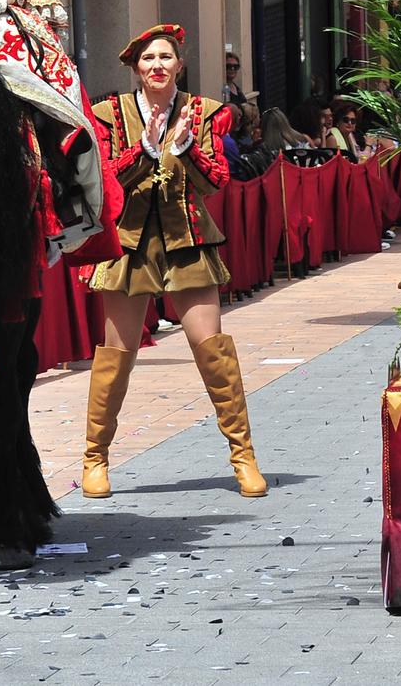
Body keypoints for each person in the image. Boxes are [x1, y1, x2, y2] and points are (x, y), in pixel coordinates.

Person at [83, 24, 266, 500]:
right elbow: (107, 181)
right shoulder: (109, 115)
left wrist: (183, 148)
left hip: (188, 239)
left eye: (166, 57)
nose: (157, 65)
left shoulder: (204, 113)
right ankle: (95, 458)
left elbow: (217, 181)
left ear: (179, 66)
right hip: (131, 244)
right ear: (134, 69)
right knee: (116, 357)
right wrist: (144, 147)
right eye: (148, 59)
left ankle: (243, 457)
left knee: (213, 351)